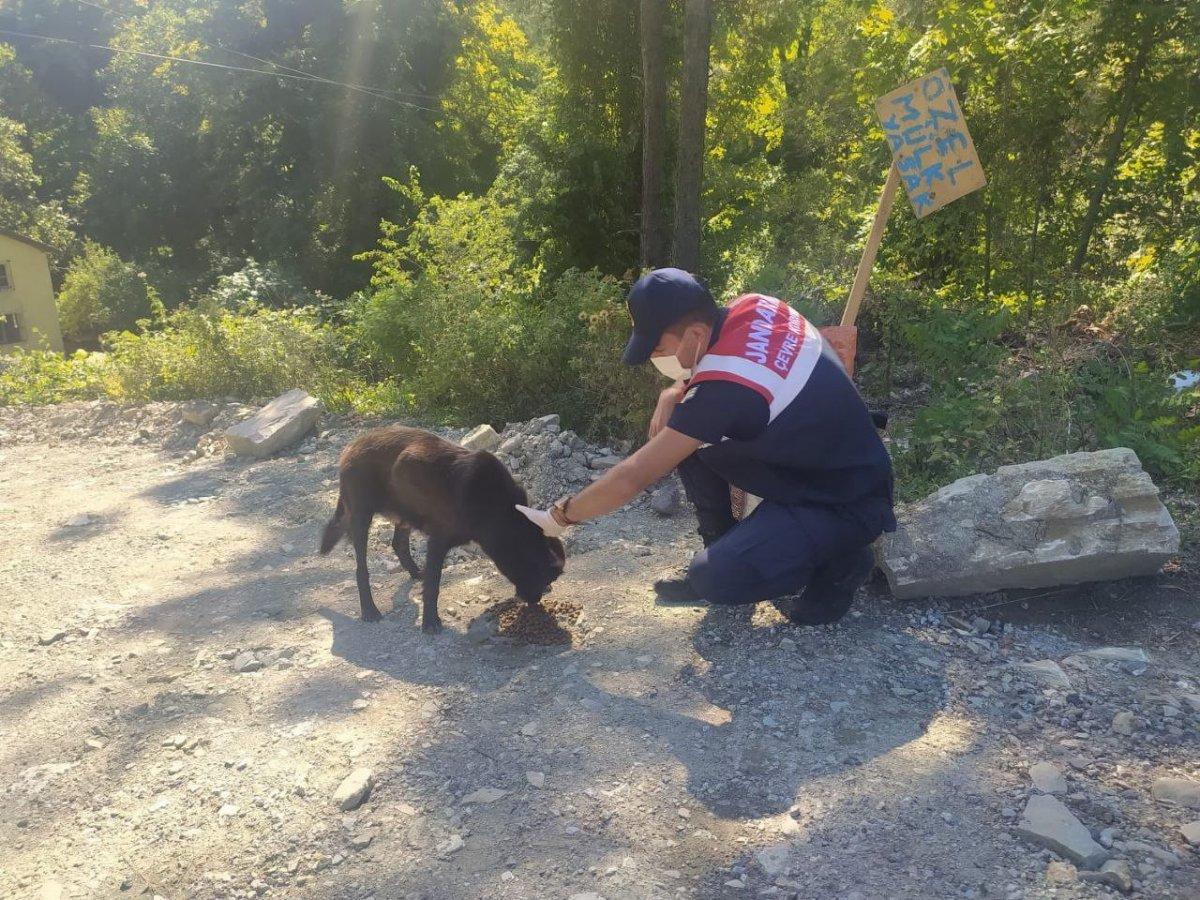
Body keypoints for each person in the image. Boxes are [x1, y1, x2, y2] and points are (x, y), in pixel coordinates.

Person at [516, 267, 895, 624]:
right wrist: (675, 391)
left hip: (843, 500)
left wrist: (560, 516)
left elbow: (634, 476)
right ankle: (726, 541)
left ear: (696, 334)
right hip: (820, 462)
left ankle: (842, 561)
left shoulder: (723, 394)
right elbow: (745, 361)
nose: (653, 357)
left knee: (714, 579)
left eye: (657, 347)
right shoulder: (757, 305)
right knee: (686, 430)